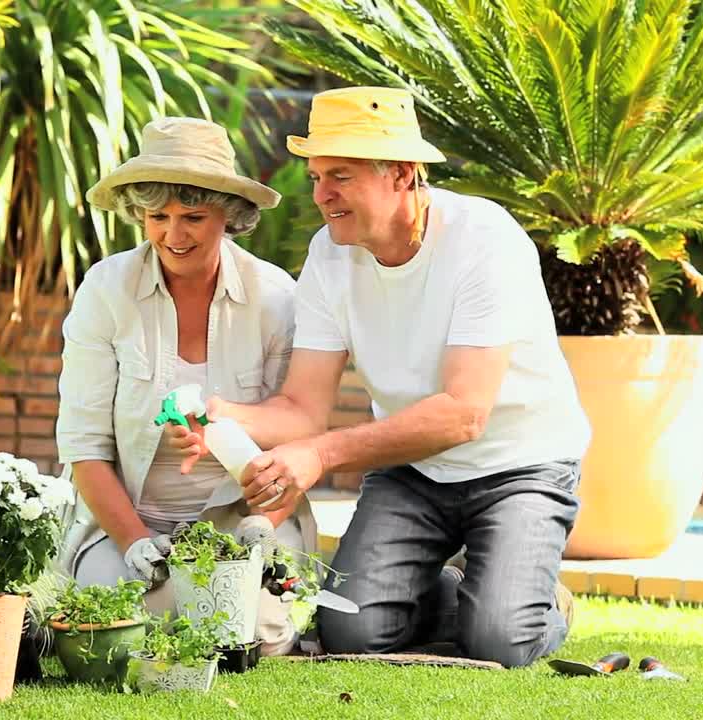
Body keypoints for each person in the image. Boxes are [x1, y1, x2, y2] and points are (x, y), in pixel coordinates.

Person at [169, 87, 590, 667]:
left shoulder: (484, 240)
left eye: (339, 175)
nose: (321, 195)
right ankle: (482, 591)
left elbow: (465, 412)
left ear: (402, 174)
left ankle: (534, 604)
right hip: (413, 471)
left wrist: (319, 455)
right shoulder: (329, 255)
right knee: (350, 632)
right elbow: (303, 407)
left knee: (501, 642)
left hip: (520, 466)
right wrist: (224, 417)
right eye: (316, 177)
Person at [54, 116, 317, 656]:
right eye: (158, 216)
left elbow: (298, 434)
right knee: (120, 627)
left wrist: (260, 527)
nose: (174, 236)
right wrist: (134, 544)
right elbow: (83, 446)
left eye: (193, 216)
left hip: (240, 519)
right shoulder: (106, 290)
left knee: (258, 636)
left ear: (229, 215)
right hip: (127, 519)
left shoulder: (274, 297)